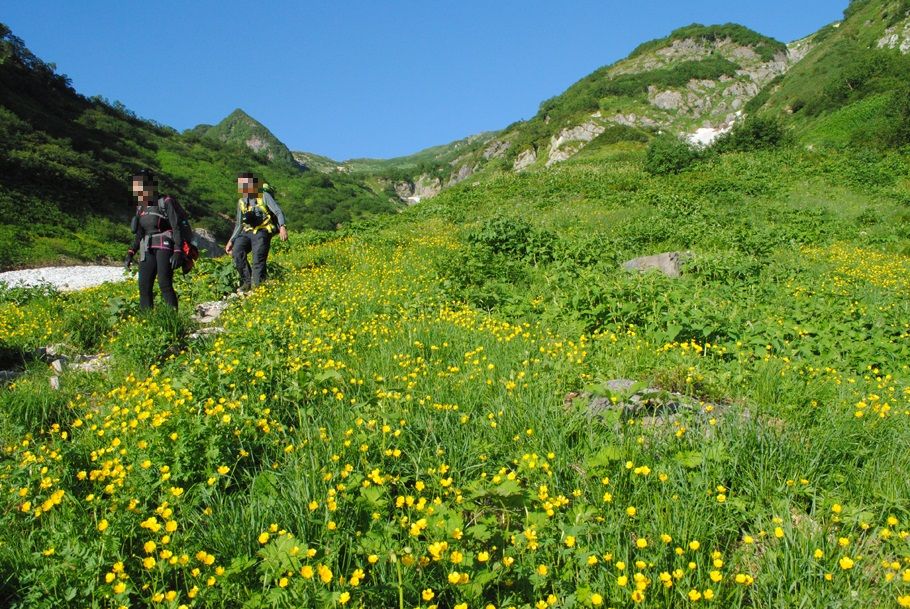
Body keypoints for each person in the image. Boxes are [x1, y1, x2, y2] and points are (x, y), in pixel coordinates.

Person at [124, 169, 186, 309]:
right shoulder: (140, 207)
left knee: (164, 283)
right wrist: (130, 252)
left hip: (165, 245)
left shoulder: (165, 201)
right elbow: (139, 233)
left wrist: (177, 250)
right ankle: (148, 323)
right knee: (144, 286)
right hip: (147, 247)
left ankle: (173, 321)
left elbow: (176, 227)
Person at [225, 172, 288, 291]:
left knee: (258, 259)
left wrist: (282, 227)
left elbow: (278, 212)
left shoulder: (264, 196)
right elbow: (239, 224)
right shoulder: (242, 202)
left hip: (263, 231)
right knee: (237, 252)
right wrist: (231, 240)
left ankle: (259, 287)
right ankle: (247, 283)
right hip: (247, 231)